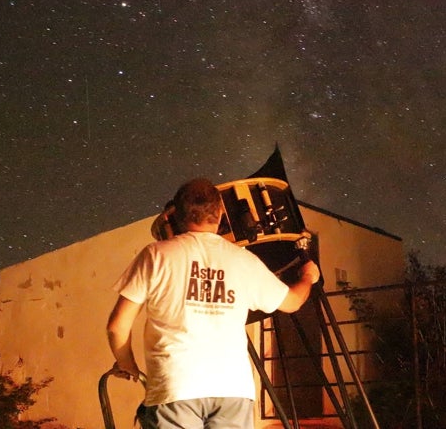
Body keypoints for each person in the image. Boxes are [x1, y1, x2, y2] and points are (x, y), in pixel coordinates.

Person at [107, 177, 320, 429]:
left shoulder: (156, 255)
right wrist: (308, 277)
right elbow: (292, 302)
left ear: (177, 216)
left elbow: (117, 326)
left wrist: (126, 363)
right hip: (233, 388)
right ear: (220, 213)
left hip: (176, 386)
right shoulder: (243, 260)